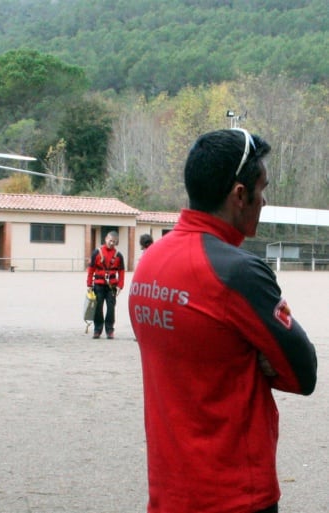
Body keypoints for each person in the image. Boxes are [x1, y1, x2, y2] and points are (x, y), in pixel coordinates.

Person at [128, 128, 317, 513]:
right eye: (262, 189)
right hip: (235, 494)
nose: (265, 201)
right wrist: (258, 359)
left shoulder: (150, 263)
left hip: (168, 492)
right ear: (239, 194)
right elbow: (303, 373)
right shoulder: (236, 271)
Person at [85, 231, 125, 339]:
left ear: (116, 242)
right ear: (106, 239)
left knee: (111, 309)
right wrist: (89, 284)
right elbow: (91, 269)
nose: (111, 243)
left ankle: (109, 330)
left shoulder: (119, 256)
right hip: (98, 285)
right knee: (98, 308)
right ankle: (97, 330)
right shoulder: (96, 253)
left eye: (114, 241)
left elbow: (121, 271)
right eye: (110, 240)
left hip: (111, 287)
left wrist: (120, 286)